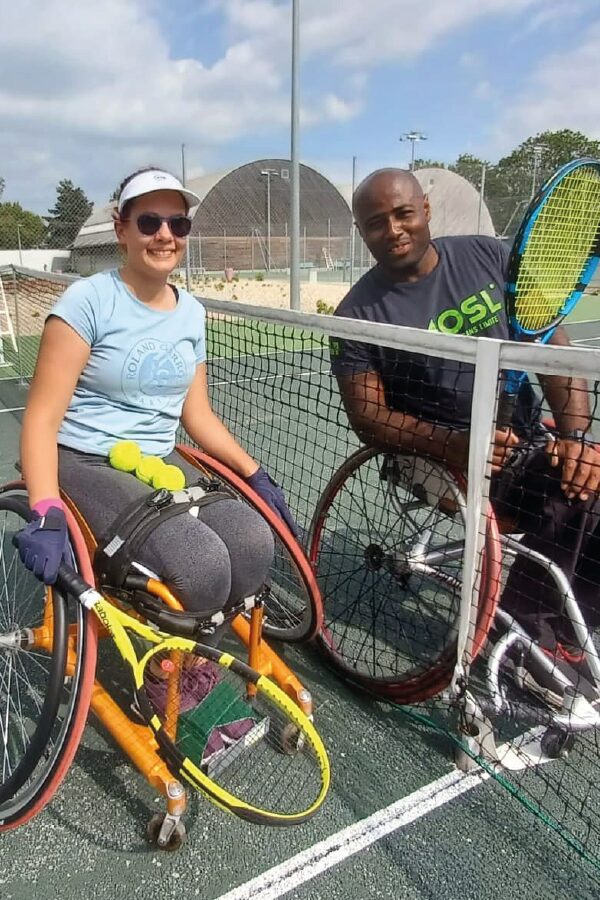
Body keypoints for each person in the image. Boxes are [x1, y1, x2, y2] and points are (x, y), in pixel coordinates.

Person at [330, 167, 600, 669]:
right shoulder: (356, 315)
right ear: (362, 232)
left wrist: (577, 437)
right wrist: (454, 444)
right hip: (433, 458)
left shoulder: (488, 256)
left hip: (522, 441)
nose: (393, 230)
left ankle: (566, 621)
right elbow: (368, 418)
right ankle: (526, 638)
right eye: (375, 223)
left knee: (588, 481)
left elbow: (551, 349)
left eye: (403, 213)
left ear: (425, 211)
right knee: (565, 501)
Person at [16, 166, 297, 626]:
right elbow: (43, 419)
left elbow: (198, 413)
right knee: (199, 562)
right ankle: (167, 681)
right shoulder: (87, 302)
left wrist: (254, 473)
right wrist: (45, 509)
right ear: (121, 228)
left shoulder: (191, 313)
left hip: (158, 455)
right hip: (87, 458)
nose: (165, 234)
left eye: (178, 223)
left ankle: (194, 659)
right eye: (149, 222)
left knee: (252, 542)